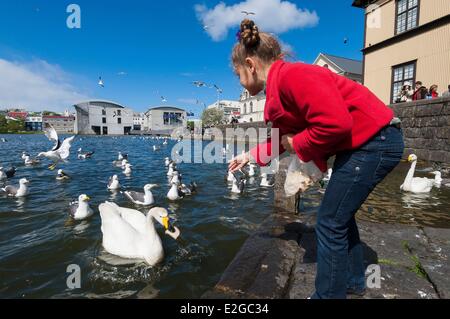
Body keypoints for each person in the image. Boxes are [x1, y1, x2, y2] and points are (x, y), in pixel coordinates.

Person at [228, 19, 404, 299]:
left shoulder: (292, 77)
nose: (238, 80)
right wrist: (249, 156)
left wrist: (297, 142)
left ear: (250, 65)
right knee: (340, 218)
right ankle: (355, 281)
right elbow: (280, 137)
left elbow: (335, 124)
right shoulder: (281, 85)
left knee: (330, 222)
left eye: (237, 74)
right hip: (370, 141)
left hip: (375, 141)